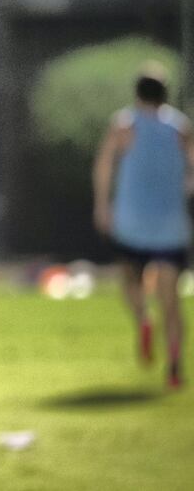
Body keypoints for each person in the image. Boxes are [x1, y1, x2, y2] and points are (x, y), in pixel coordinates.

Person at [93, 61, 193, 389]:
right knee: (171, 298)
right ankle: (175, 365)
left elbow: (104, 166)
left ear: (137, 93)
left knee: (129, 282)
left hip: (132, 224)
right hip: (171, 227)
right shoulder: (181, 128)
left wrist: (102, 205)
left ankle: (142, 319)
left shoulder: (124, 125)